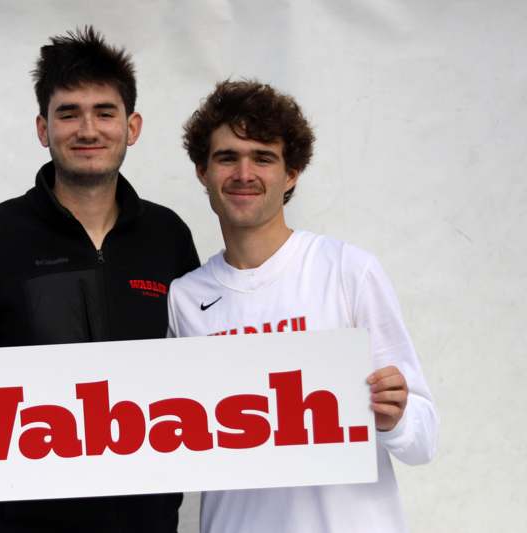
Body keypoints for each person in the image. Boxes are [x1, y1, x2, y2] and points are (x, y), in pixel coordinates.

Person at [0, 27, 199, 532]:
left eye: (104, 112)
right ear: (42, 127)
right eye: (68, 113)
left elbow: (206, 366)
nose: (88, 129)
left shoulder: (167, 236)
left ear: (133, 126)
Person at [167, 80, 438, 532]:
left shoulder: (348, 271)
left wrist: (397, 416)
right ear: (202, 171)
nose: (243, 173)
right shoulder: (184, 298)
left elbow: (423, 440)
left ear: (291, 173)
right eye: (227, 157)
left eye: (263, 157)